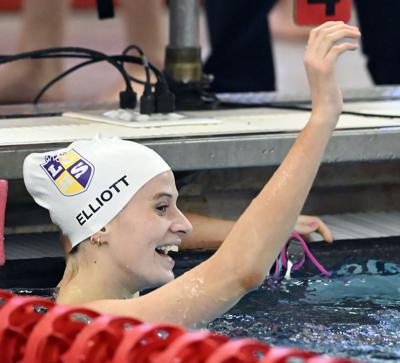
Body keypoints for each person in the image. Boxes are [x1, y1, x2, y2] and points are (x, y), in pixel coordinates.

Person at [22, 22, 360, 328]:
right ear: (100, 226)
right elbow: (239, 272)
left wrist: (249, 228)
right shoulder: (93, 323)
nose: (184, 225)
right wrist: (323, 116)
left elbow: (86, 222)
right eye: (161, 207)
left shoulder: (84, 259)